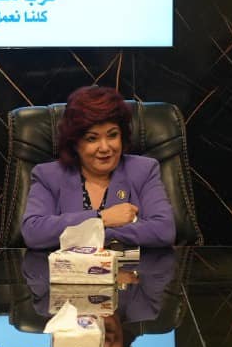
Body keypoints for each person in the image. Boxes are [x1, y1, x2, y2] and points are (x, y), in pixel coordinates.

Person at [20, 86, 175, 249]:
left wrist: (93, 232)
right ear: (75, 143)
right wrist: (102, 218)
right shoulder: (48, 176)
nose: (105, 148)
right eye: (92, 138)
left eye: (112, 135)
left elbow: (164, 230)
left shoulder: (143, 170)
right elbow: (33, 232)